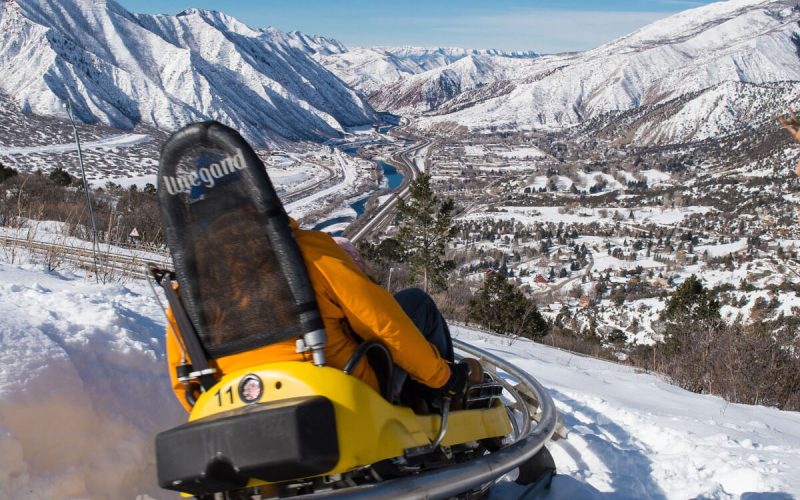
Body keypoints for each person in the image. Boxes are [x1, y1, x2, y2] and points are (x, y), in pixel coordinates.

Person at [165, 219, 473, 412]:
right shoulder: (310, 253)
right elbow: (382, 322)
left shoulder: (187, 290)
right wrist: (442, 377)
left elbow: (183, 382)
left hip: (230, 405)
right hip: (336, 391)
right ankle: (440, 402)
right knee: (416, 302)